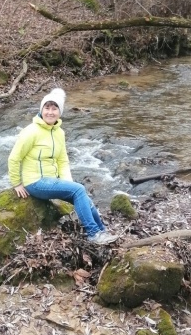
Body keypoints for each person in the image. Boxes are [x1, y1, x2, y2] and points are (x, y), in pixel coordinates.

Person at [8, 88, 118, 244]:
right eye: (47, 108)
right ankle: (93, 234)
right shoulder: (30, 132)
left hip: (50, 181)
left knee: (83, 196)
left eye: (54, 108)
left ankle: (102, 232)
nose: (50, 112)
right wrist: (17, 183)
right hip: (35, 182)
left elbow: (62, 161)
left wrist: (69, 184)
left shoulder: (59, 133)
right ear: (41, 110)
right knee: (79, 189)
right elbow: (14, 158)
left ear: (60, 112)